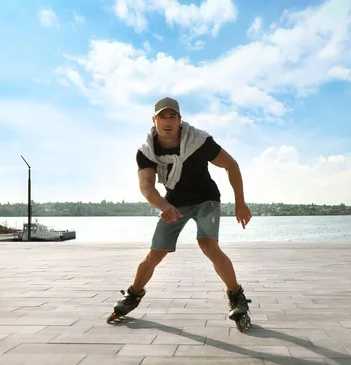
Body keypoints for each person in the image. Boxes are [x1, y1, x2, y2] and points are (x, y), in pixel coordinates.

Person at [108, 97, 253, 329]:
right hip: (174, 202)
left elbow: (231, 165)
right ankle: (133, 295)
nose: (168, 122)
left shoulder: (199, 141)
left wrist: (240, 203)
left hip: (206, 199)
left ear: (180, 120)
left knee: (208, 245)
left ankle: (236, 295)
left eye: (172, 116)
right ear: (154, 120)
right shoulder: (147, 151)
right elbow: (146, 186)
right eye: (162, 117)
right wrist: (163, 206)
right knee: (155, 254)